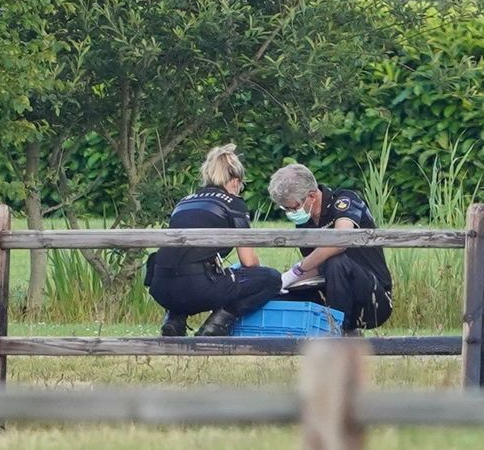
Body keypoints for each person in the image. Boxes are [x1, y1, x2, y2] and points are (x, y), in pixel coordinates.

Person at [147, 144, 282, 336]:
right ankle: (217, 324)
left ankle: (175, 319)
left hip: (160, 287)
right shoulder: (233, 204)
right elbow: (249, 262)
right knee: (271, 278)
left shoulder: (184, 202)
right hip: (196, 288)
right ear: (235, 181)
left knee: (185, 265)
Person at [267, 163, 393, 333]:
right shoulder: (305, 223)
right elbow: (316, 265)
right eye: (285, 209)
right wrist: (284, 280)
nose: (290, 213)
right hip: (331, 290)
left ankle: (336, 332)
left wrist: (296, 270)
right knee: (279, 293)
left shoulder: (344, 201)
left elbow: (340, 241)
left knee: (335, 261)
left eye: (293, 207)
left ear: (311, 197)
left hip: (373, 297)